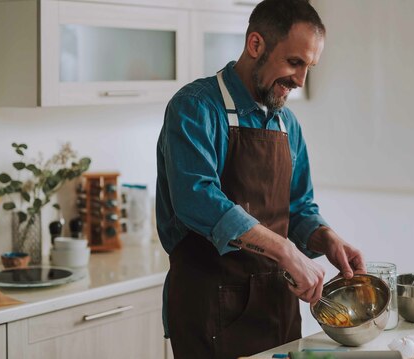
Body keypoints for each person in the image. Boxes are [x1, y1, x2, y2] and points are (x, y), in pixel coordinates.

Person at [156, 0, 365, 357]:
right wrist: (285, 251)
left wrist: (327, 238)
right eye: (294, 62)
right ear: (256, 44)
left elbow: (298, 207)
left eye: (309, 67)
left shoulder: (288, 124)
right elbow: (196, 198)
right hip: (209, 311)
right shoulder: (196, 107)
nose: (300, 80)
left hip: (276, 309)